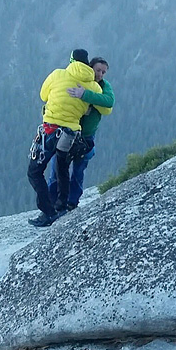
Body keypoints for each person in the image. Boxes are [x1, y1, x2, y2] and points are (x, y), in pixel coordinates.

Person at [27, 49, 109, 227]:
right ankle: (62, 207)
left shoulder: (58, 74)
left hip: (50, 130)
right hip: (71, 134)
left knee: (34, 172)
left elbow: (43, 96)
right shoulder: (93, 86)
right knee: (62, 168)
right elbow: (106, 108)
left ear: (72, 60)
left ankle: (48, 212)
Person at [47, 56, 114, 210]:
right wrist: (94, 102)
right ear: (90, 68)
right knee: (57, 168)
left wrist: (85, 95)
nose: (101, 75)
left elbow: (109, 104)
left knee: (78, 169)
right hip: (69, 131)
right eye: (98, 70)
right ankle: (53, 202)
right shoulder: (79, 81)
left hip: (85, 135)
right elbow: (105, 105)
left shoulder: (104, 86)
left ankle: (72, 202)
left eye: (104, 72)